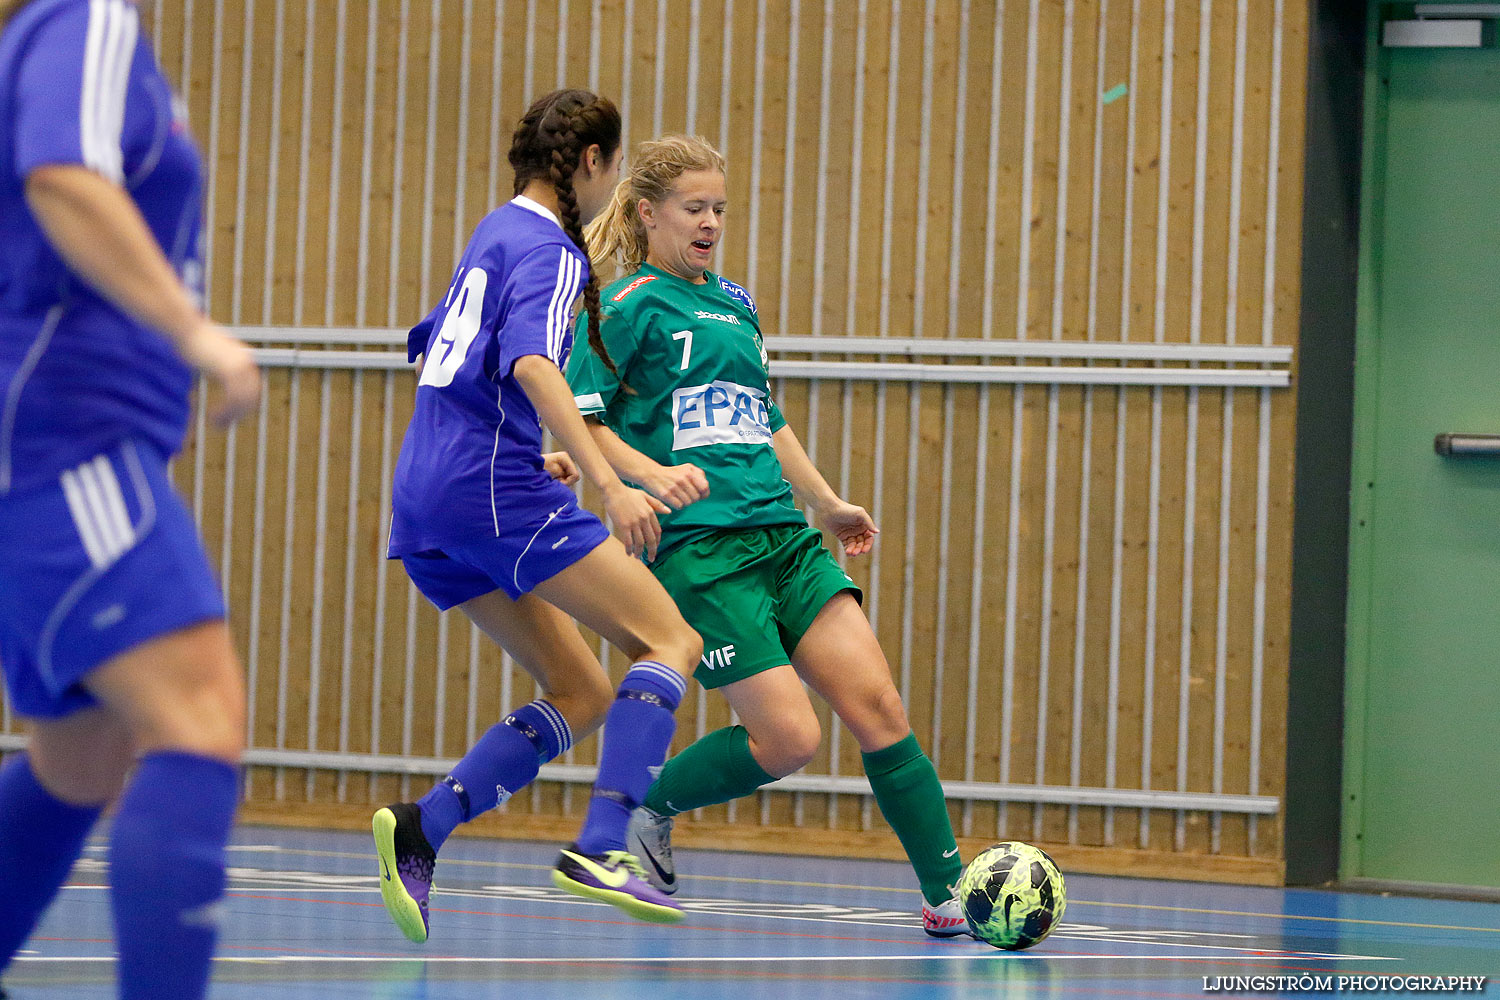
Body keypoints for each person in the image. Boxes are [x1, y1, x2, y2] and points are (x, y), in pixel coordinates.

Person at [566, 135, 971, 937]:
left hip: (782, 539)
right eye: (694, 208)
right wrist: (641, 478)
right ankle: (647, 804)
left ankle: (950, 896)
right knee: (789, 739)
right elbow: (583, 422)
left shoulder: (736, 302)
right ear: (648, 212)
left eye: (719, 207)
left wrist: (823, 502)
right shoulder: (624, 306)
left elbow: (764, 416)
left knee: (880, 707)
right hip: (704, 553)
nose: (711, 221)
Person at [372, 89, 702, 943]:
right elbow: (527, 361)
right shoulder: (554, 251)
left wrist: (530, 444)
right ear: (591, 163)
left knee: (582, 688)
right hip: (486, 487)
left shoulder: (493, 230)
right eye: (616, 166)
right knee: (670, 641)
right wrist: (607, 479)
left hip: (428, 487)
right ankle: (602, 845)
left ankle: (422, 828)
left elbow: (439, 347)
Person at [0, 0, 263, 997]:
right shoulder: (89, 17)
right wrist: (194, 338)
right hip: (64, 434)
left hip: (72, 435)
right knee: (198, 710)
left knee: (82, 754)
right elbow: (63, 177)